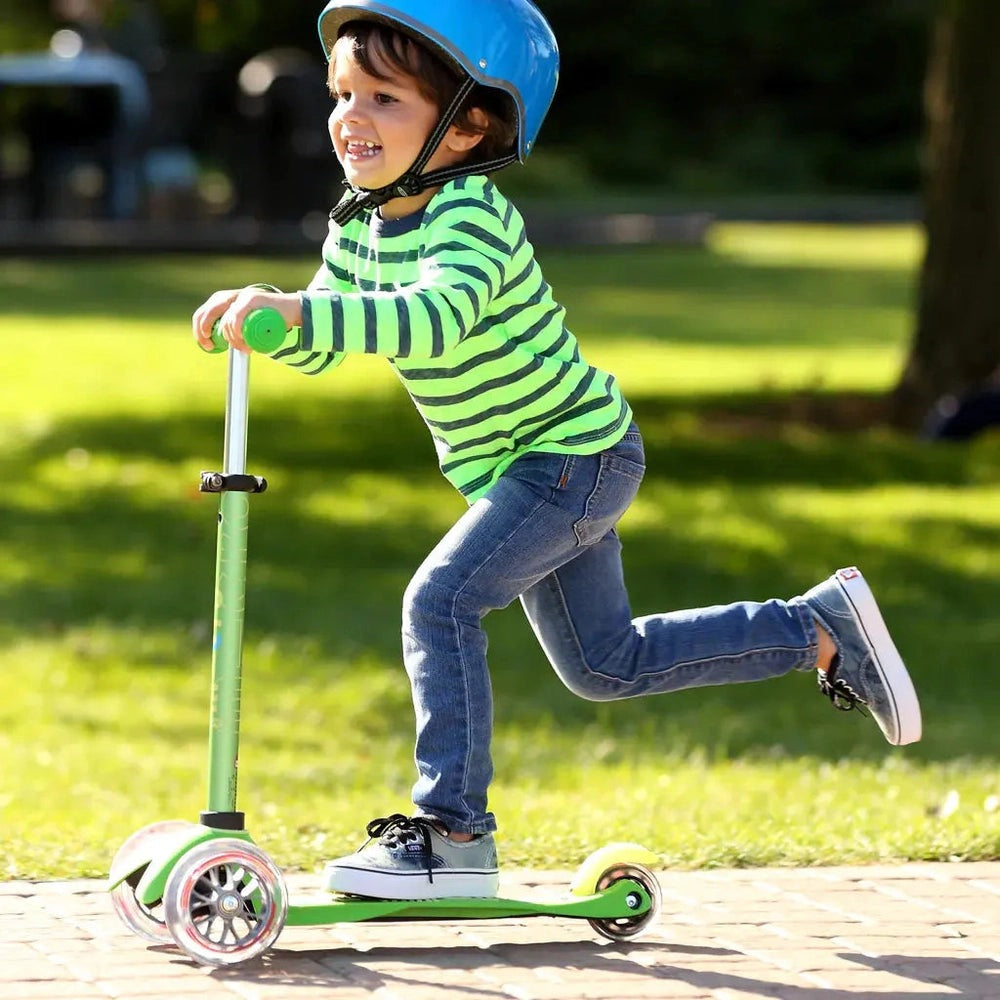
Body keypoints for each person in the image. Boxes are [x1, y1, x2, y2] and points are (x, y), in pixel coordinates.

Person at [192, 0, 922, 902]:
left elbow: (431, 318)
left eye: (383, 98)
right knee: (604, 664)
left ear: (465, 127)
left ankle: (454, 831)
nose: (351, 117)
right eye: (345, 93)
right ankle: (817, 630)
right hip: (525, 469)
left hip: (573, 455)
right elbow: (327, 340)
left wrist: (309, 311)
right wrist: (267, 318)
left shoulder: (472, 217)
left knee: (441, 602)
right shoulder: (358, 221)